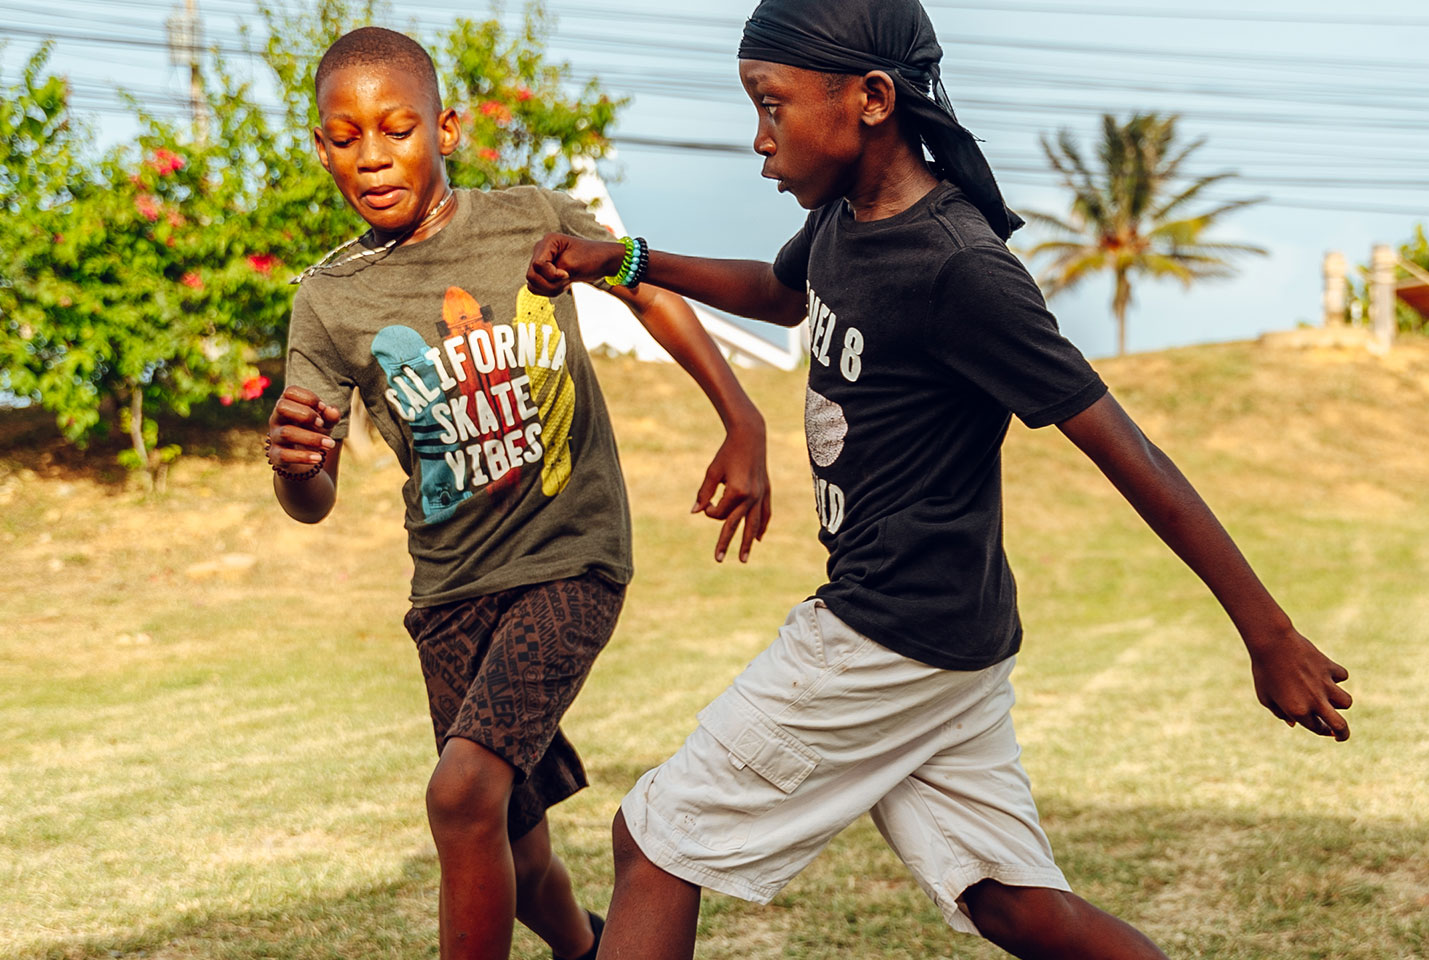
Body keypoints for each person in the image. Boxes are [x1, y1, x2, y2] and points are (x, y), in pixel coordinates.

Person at [528, 2, 1353, 957]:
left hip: (890, 629)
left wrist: (1269, 633)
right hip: (951, 639)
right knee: (1012, 903)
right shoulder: (846, 218)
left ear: (872, 99)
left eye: (771, 106)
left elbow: (1127, 451)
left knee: (657, 841)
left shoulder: (961, 268)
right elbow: (781, 292)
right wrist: (622, 260)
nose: (758, 141)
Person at [265, 26, 771, 960]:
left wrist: (742, 418)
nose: (372, 157)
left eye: (397, 129)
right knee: (513, 846)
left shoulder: (531, 216)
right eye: (345, 138)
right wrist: (298, 467)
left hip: (568, 559)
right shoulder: (328, 301)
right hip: (450, 593)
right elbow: (316, 497)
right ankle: (586, 948)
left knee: (461, 797)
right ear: (321, 148)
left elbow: (646, 288)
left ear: (444, 127)